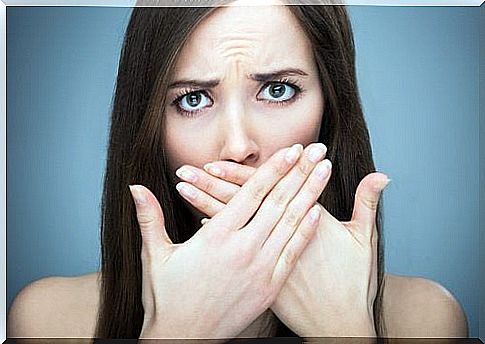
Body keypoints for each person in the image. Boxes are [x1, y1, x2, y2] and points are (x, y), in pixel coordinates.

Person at [7, 1, 468, 340]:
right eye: (193, 99)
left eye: (278, 90)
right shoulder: (51, 320)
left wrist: (345, 331)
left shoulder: (427, 321)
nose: (238, 146)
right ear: (148, 123)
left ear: (331, 108)